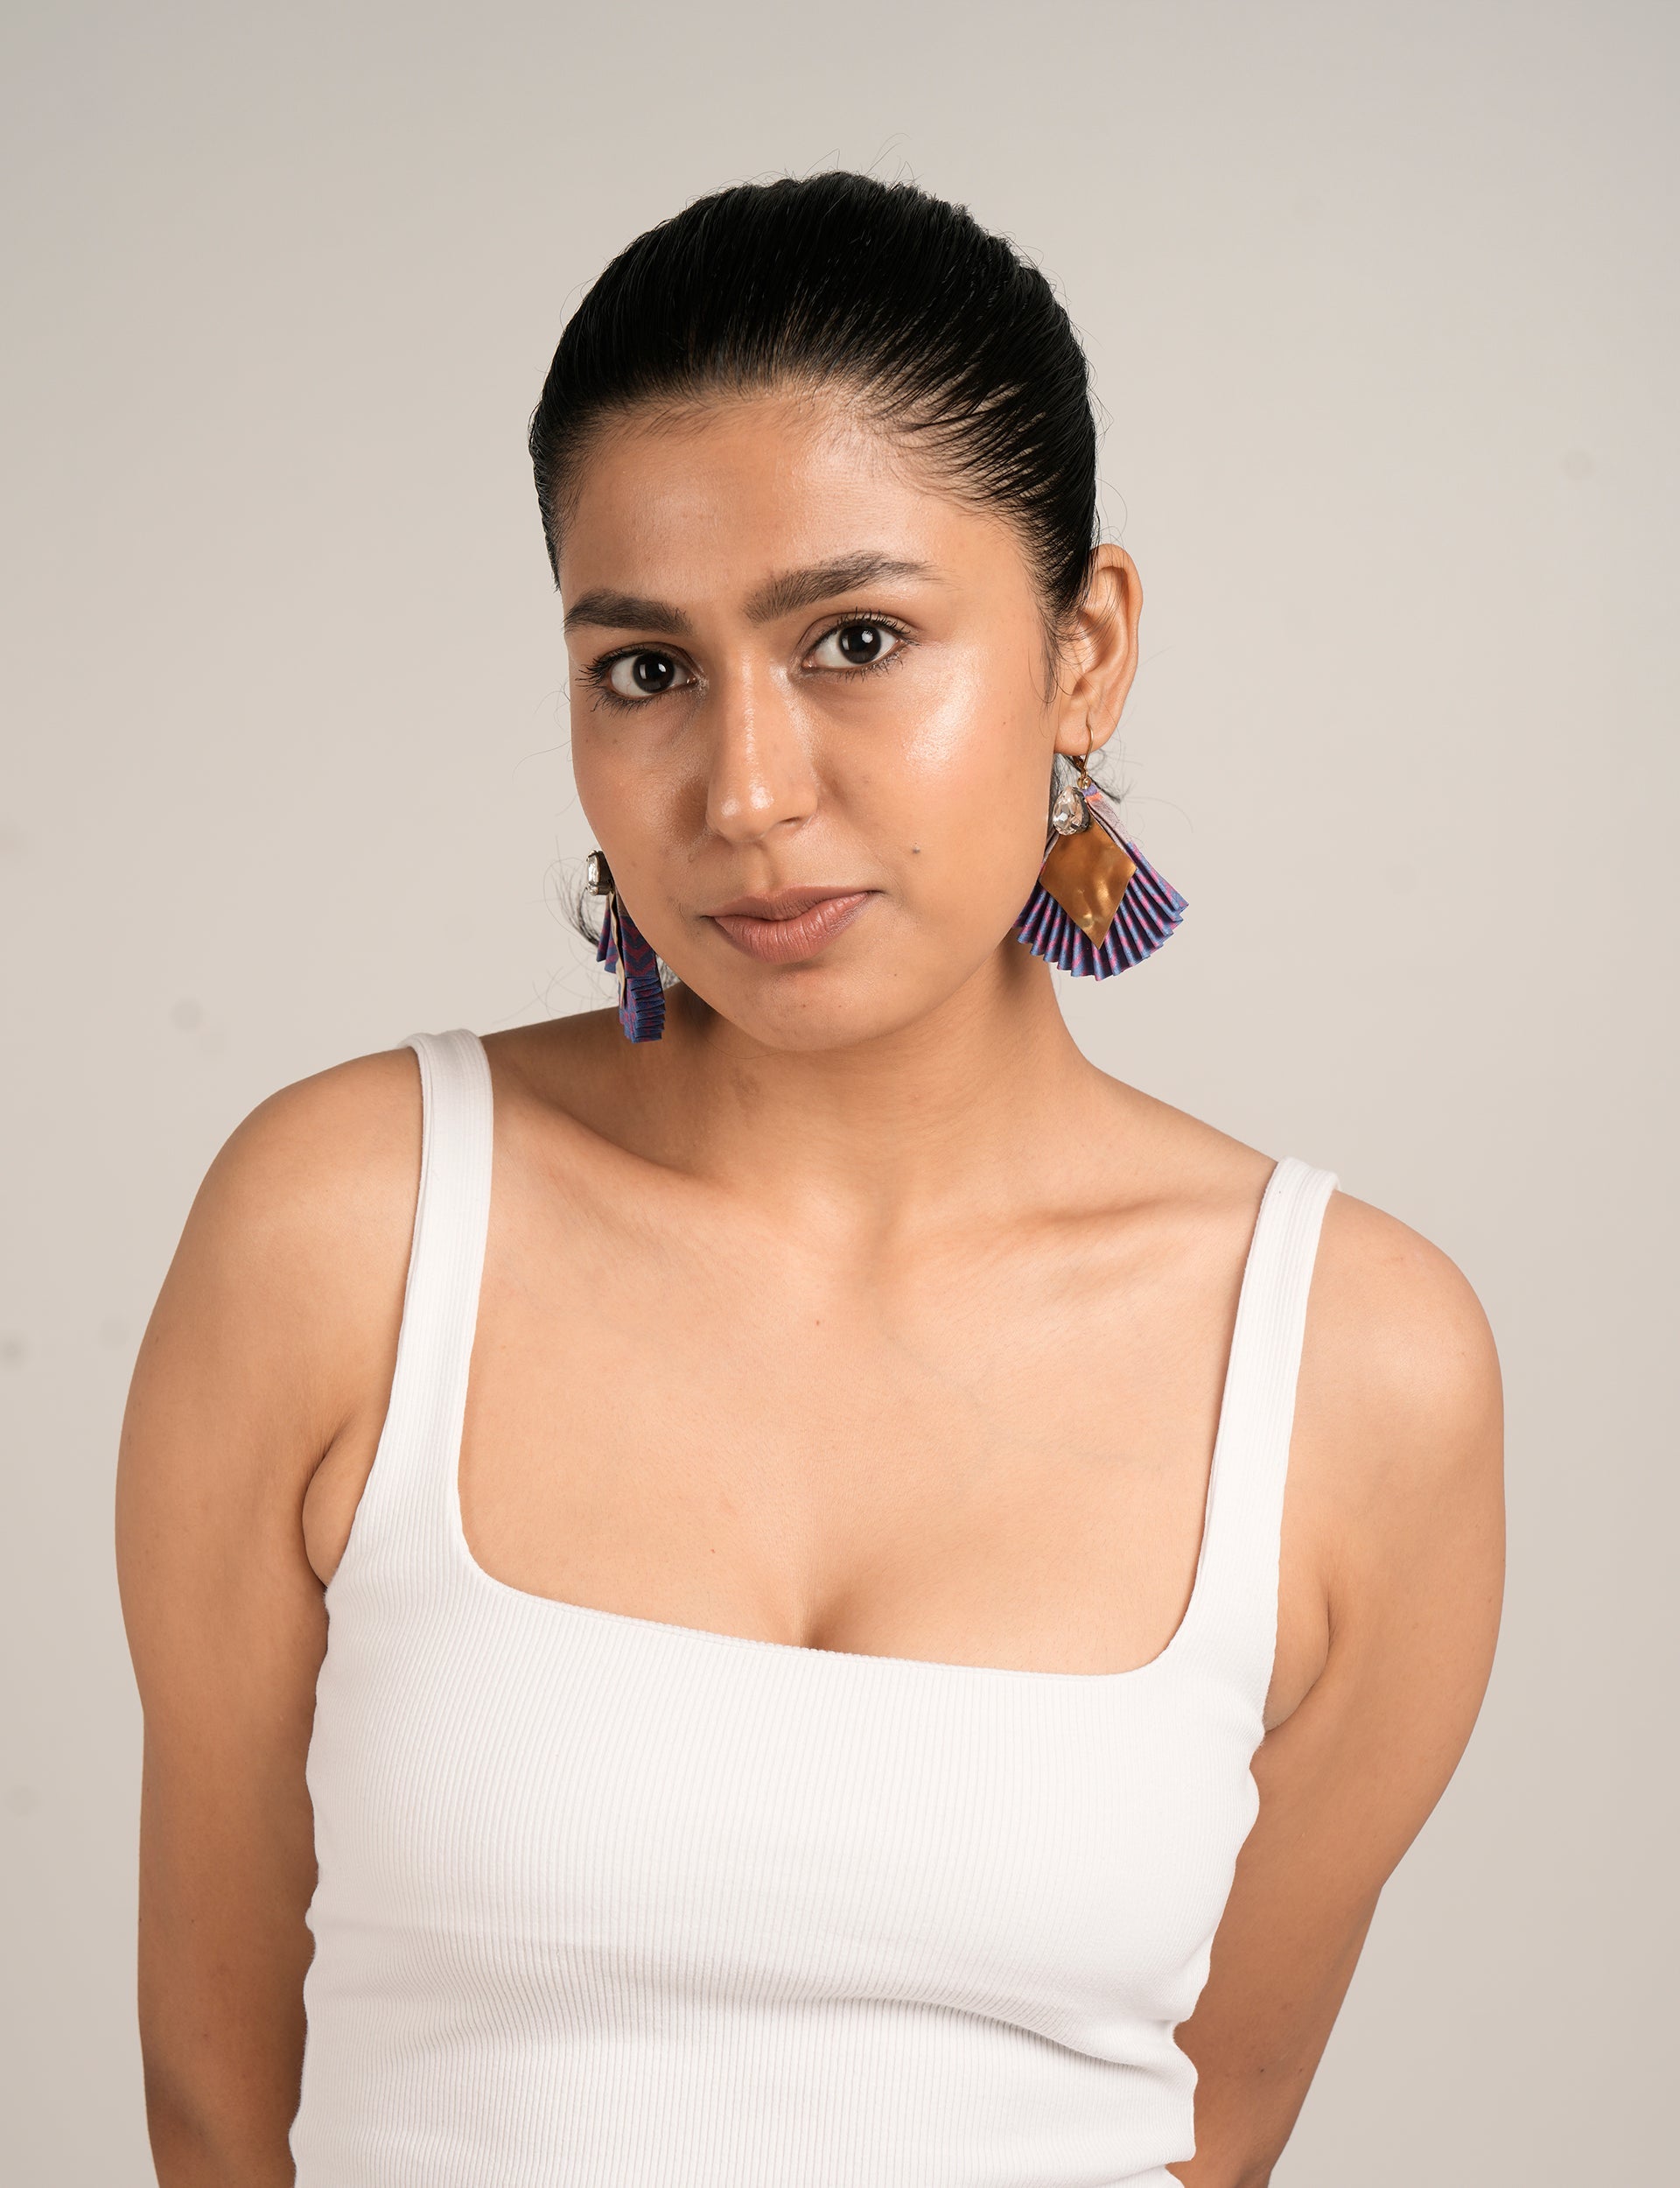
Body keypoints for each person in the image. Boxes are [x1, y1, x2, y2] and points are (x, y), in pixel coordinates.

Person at [116, 172, 1504, 2188]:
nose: (748, 792)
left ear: (1086, 650)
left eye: (857, 638)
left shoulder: (1357, 1367)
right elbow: (212, 2095)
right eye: (645, 669)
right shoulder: (347, 1232)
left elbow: (1218, 2126)